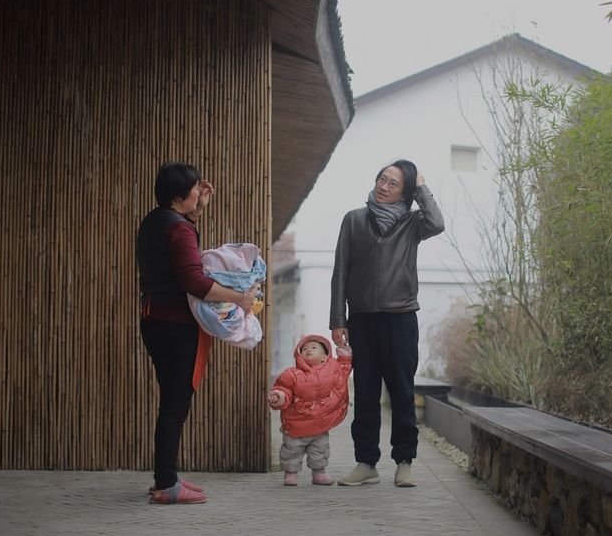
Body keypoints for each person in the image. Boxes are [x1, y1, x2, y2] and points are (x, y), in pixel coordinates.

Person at [137, 161, 258, 505]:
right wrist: (241, 298)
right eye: (194, 189)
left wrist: (198, 208)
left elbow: (181, 240)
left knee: (171, 403)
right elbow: (195, 281)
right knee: (175, 405)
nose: (199, 191)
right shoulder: (179, 229)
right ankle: (166, 485)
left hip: (154, 320)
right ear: (179, 194)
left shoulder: (155, 221)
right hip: (176, 326)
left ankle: (167, 477)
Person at [330, 159, 444, 487]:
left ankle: (404, 461)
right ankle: (366, 463)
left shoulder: (412, 224)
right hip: (362, 320)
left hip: (401, 319)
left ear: (404, 191)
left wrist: (421, 187)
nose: (384, 186)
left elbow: (437, 223)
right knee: (365, 394)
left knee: (401, 392)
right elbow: (341, 271)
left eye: (393, 183)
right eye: (382, 178)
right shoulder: (354, 220)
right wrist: (338, 319)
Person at [267, 335, 353, 486]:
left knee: (320, 451)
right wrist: (279, 396)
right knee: (291, 450)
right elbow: (283, 388)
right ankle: (290, 473)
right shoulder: (292, 374)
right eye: (304, 349)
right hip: (296, 424)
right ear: (299, 356)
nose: (308, 350)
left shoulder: (332, 370)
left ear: (325, 357)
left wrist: (345, 355)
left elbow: (344, 370)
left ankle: (319, 473)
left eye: (314, 348)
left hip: (320, 426)